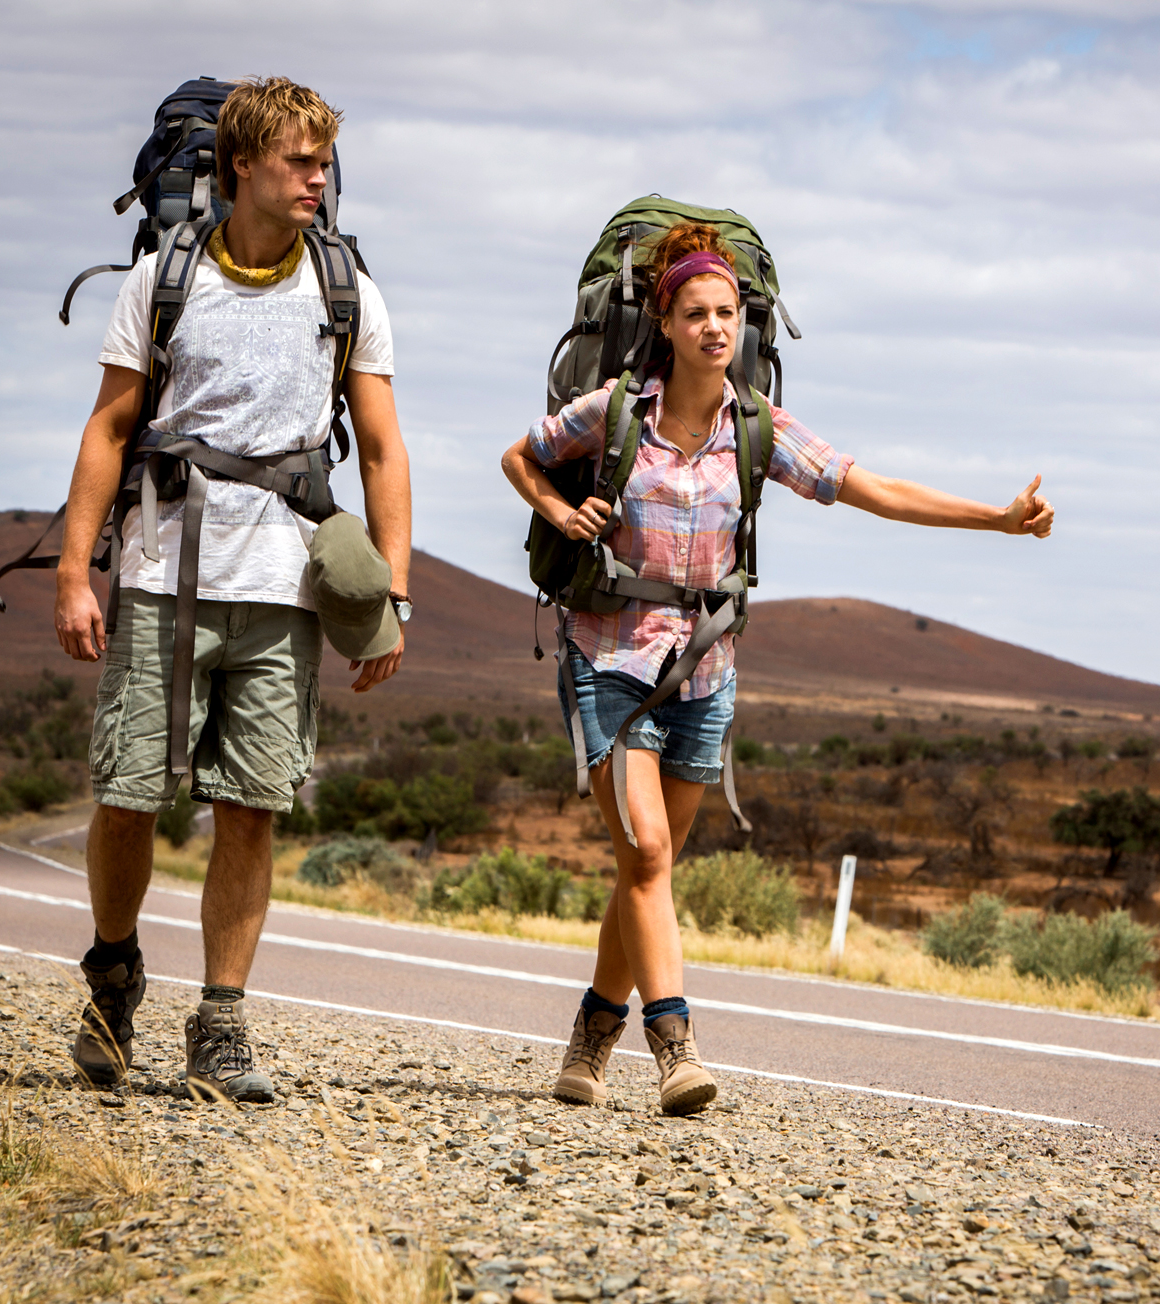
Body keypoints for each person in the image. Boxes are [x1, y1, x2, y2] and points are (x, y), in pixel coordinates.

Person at [501, 222, 1054, 1115]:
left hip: (706, 670)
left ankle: (588, 1040)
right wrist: (559, 512)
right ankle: (674, 1047)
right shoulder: (612, 414)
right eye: (698, 313)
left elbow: (871, 488)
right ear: (666, 323)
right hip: (607, 653)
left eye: (729, 313)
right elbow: (520, 455)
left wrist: (994, 517)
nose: (717, 327)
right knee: (644, 852)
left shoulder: (759, 427)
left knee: (649, 870)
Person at [53, 77, 412, 1103]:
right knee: (128, 795)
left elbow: (383, 450)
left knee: (251, 806)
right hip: (164, 570)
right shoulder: (165, 278)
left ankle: (220, 1022)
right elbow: (109, 428)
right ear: (242, 164)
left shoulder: (348, 291)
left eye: (322, 163)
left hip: (286, 584)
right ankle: (114, 972)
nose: (316, 179)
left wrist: (396, 595)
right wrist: (78, 571)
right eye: (299, 161)